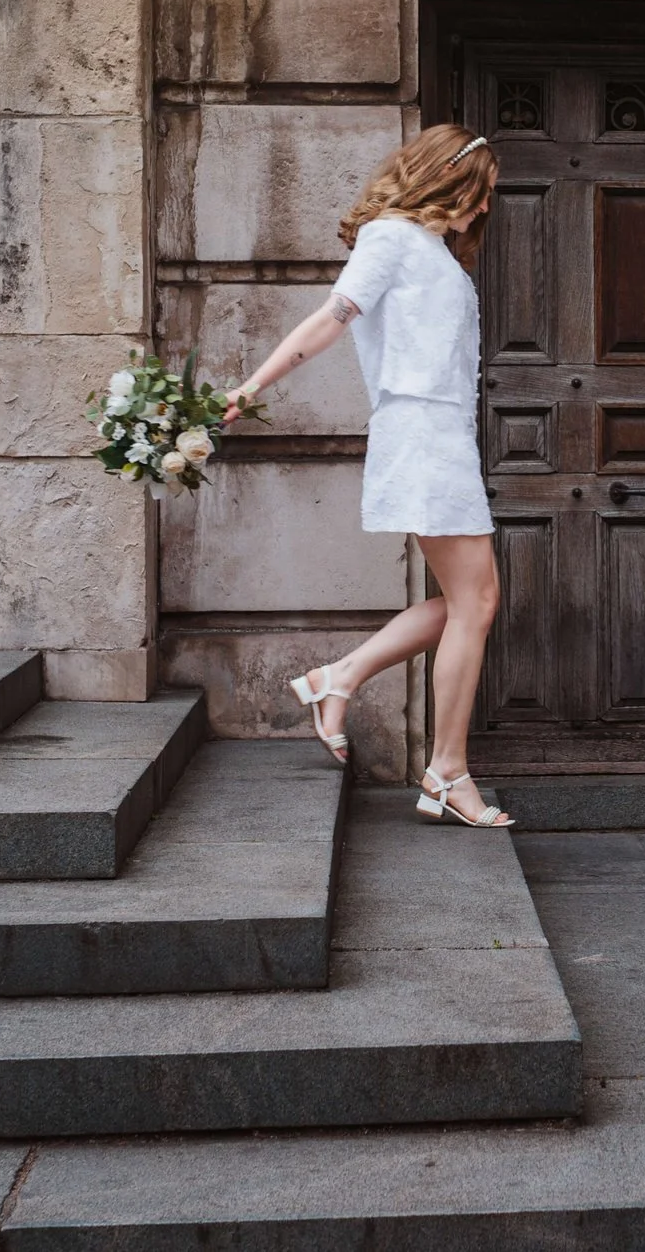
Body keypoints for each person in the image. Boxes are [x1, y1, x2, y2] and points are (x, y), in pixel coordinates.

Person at [232, 123, 512, 829]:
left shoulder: (431, 250)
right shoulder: (391, 238)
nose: (483, 211)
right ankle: (446, 771)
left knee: (470, 604)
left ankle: (342, 678)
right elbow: (331, 319)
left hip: (440, 433)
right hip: (422, 431)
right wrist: (251, 388)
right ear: (450, 181)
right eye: (482, 195)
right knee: (475, 603)